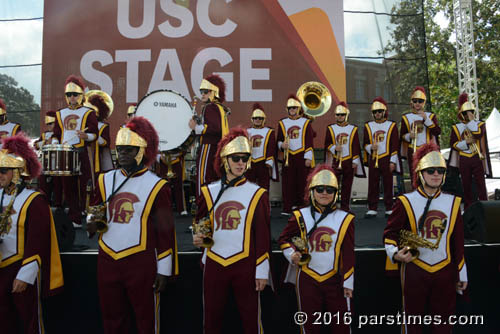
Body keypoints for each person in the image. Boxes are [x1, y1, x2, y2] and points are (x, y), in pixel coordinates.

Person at [86, 116, 178, 334]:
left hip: (141, 261)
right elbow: (93, 211)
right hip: (108, 258)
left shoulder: (158, 186)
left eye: (129, 149)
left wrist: (164, 270)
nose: (123, 154)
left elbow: (165, 232)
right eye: (120, 149)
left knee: (146, 320)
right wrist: (90, 223)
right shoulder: (104, 180)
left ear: (142, 151)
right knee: (112, 319)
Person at [192, 127, 270, 334]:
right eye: (236, 158)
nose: (241, 163)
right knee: (211, 318)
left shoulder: (258, 194)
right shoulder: (208, 192)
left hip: (246, 264)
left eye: (244, 159)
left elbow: (262, 236)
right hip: (215, 263)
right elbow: (199, 223)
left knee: (251, 318)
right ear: (224, 160)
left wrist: (262, 271)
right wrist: (198, 238)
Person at [384, 143, 468, 334]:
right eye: (430, 170)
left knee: (443, 322)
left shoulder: (454, 203)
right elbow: (390, 235)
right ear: (420, 173)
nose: (436, 174)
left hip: (445, 269)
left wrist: (462, 274)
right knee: (412, 321)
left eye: (440, 170)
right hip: (414, 269)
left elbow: (458, 244)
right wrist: (396, 254)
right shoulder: (405, 201)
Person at [278, 164, 354, 334]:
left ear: (336, 193)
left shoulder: (345, 219)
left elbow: (348, 254)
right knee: (309, 326)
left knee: (341, 326)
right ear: (311, 191)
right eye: (320, 189)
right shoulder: (300, 216)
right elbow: (283, 239)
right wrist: (292, 254)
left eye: (330, 190)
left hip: (335, 280)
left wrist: (348, 283)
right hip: (307, 278)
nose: (325, 193)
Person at [0, 133, 64, 333]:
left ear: (18, 172)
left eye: (3, 170)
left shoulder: (35, 199)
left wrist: (25, 276)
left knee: (30, 323)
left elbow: (38, 241)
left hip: (20, 268)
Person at [51, 75, 98, 227]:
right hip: (65, 153)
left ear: (81, 95)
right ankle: (74, 216)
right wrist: (55, 143)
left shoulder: (88, 112)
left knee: (85, 185)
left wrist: (86, 136)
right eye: (68, 95)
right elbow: (56, 134)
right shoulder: (60, 113)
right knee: (68, 186)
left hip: (81, 151)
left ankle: (87, 213)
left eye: (74, 94)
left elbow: (95, 134)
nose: (71, 97)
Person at [448, 93, 491, 209]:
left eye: (471, 111)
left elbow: (477, 133)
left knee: (480, 183)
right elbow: (454, 144)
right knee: (465, 184)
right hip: (464, 157)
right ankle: (468, 207)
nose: (468, 114)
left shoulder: (480, 124)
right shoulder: (456, 127)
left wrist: (471, 121)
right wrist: (465, 143)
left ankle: (484, 206)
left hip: (477, 157)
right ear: (461, 114)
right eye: (466, 113)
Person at [188, 74, 229, 197]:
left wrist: (196, 127)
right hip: (215, 147)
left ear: (214, 92)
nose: (203, 94)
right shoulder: (220, 107)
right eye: (202, 92)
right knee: (213, 179)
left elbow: (214, 128)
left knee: (203, 178)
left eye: (206, 91)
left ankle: (203, 209)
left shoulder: (210, 107)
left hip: (208, 147)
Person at [277, 94, 315, 215]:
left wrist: (308, 157)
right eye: (290, 108)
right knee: (288, 182)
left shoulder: (306, 122)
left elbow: (309, 141)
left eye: (294, 108)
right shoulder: (282, 123)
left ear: (298, 109)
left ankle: (302, 206)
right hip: (288, 156)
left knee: (302, 182)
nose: (292, 110)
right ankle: (288, 207)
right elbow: (278, 139)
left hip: (301, 155)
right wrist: (281, 145)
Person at [363, 97, 401, 218]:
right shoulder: (368, 126)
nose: (377, 114)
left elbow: (395, 145)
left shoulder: (391, 125)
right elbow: (365, 143)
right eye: (375, 112)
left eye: (379, 111)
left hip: (387, 158)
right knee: (372, 183)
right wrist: (370, 148)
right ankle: (372, 208)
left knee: (388, 183)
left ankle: (389, 207)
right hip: (374, 158)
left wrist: (392, 161)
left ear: (384, 111)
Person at [324, 101, 365, 211]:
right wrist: (334, 148)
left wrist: (355, 161)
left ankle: (345, 206)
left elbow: (356, 146)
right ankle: (331, 205)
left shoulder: (353, 128)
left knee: (347, 185)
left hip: (348, 160)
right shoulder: (330, 128)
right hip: (335, 160)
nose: (340, 117)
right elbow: (327, 144)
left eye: (342, 114)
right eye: (338, 114)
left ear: (346, 115)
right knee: (333, 185)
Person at [400, 86, 441, 185]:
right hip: (412, 150)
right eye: (415, 101)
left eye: (420, 101)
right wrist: (409, 135)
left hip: (427, 149)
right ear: (412, 102)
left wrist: (426, 119)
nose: (417, 103)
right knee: (414, 175)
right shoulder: (406, 117)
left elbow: (437, 131)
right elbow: (402, 136)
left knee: (428, 175)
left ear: (424, 102)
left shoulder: (430, 116)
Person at [246, 103, 278, 190]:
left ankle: (264, 203)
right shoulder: (247, 131)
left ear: (264, 119)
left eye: (260, 118)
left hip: (263, 163)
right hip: (250, 162)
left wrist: (269, 161)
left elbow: (271, 147)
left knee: (264, 187)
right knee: (248, 186)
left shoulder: (269, 131)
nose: (257, 120)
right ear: (252, 119)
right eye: (255, 118)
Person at [35, 110, 62, 206]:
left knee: (58, 185)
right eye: (47, 124)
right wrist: (44, 142)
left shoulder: (61, 134)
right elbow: (36, 145)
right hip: (45, 164)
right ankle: (44, 203)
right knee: (43, 184)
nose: (49, 126)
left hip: (58, 164)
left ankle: (58, 205)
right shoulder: (44, 134)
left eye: (51, 123)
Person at [86, 91, 114, 175]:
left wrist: (92, 136)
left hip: (98, 159)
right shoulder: (83, 124)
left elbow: (106, 142)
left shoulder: (103, 126)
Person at [154, 151, 188, 216]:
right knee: (163, 187)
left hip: (175, 160)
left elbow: (184, 148)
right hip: (163, 160)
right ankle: (163, 209)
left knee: (178, 187)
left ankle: (182, 209)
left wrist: (176, 153)